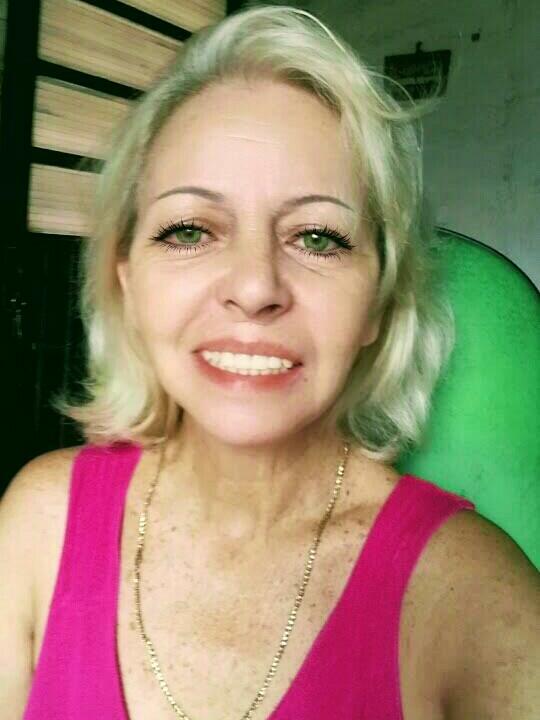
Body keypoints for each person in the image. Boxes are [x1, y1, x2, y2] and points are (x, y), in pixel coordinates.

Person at [1, 5, 538, 719]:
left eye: (317, 237)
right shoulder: (39, 523)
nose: (255, 287)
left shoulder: (472, 599)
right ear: (127, 280)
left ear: (379, 302)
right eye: (190, 230)